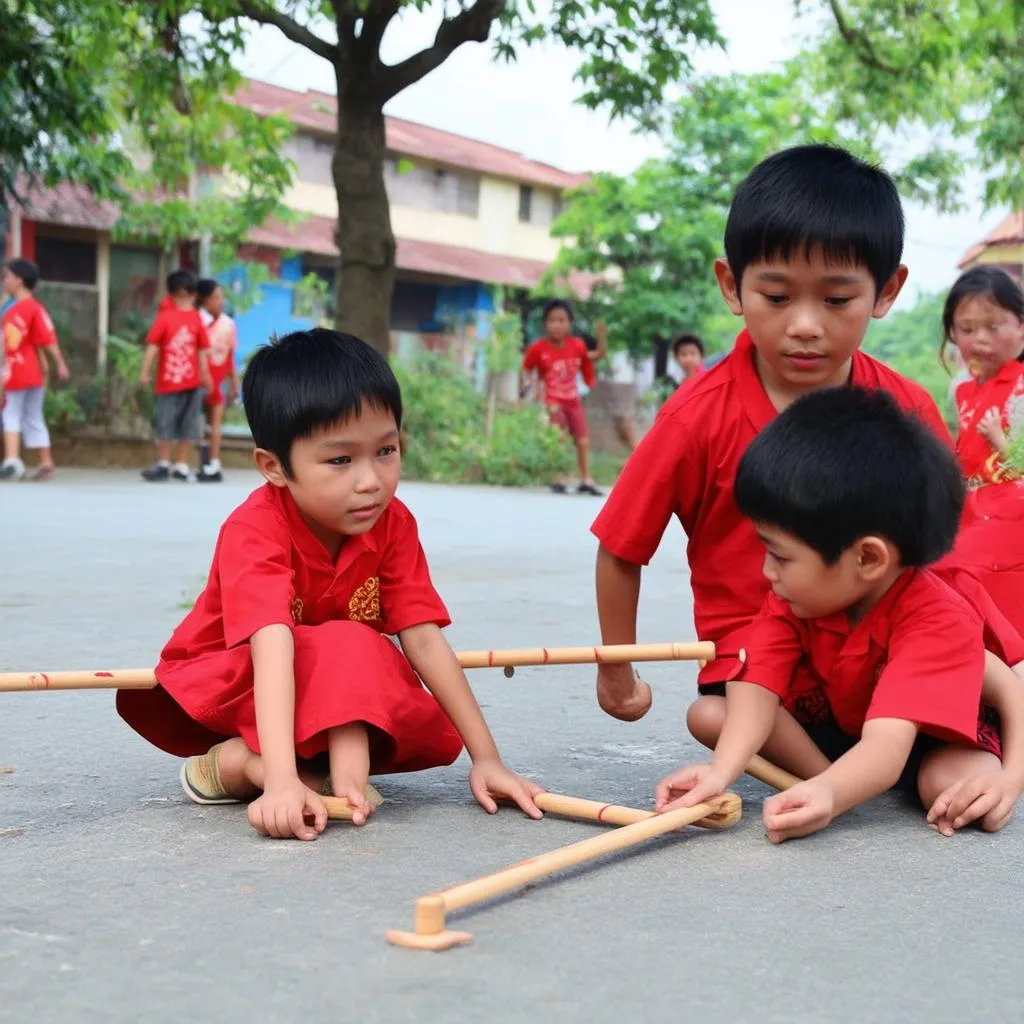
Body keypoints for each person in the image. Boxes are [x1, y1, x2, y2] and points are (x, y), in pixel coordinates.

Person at [590, 144, 971, 723]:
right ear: (731, 286)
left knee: (959, 768)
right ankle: (843, 778)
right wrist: (616, 671)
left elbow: (945, 555)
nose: (805, 326)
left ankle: (864, 767)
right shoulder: (696, 417)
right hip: (760, 676)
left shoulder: (906, 410)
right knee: (712, 720)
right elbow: (621, 548)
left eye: (837, 299)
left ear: (887, 291)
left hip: (882, 666)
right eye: (776, 296)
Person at [117, 329, 542, 840]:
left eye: (386, 450)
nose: (370, 480)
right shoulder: (254, 530)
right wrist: (275, 781)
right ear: (274, 467)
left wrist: (488, 760)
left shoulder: (393, 523)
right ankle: (244, 766)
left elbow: (423, 638)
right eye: (340, 460)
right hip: (243, 680)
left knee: (353, 643)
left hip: (332, 687)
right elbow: (271, 647)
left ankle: (339, 787)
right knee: (342, 644)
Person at [654, 387, 1024, 841]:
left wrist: (1012, 777)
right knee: (713, 713)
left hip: (929, 737)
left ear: (868, 559)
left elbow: (892, 744)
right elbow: (755, 681)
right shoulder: (803, 595)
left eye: (781, 556)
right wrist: (720, 772)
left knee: (951, 790)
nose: (767, 572)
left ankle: (843, 783)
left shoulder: (936, 617)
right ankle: (841, 780)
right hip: (853, 725)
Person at [943, 267, 1024, 634]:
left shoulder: (1020, 390)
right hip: (970, 511)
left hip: (1011, 519)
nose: (980, 339)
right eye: (967, 329)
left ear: (1020, 325)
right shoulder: (963, 391)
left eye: (994, 326)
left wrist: (1000, 441)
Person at [522, 300, 604, 495]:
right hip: (552, 401)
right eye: (552, 320)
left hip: (573, 400)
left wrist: (602, 337)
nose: (557, 325)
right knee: (557, 439)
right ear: (545, 324)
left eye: (561, 320)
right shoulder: (538, 348)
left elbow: (594, 357)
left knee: (582, 440)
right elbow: (526, 368)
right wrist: (528, 383)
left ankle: (586, 478)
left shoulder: (577, 345)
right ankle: (557, 477)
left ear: (570, 323)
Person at [139, 269, 212, 482]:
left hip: (192, 382)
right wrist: (145, 372)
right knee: (166, 421)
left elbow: (201, 350)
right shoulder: (165, 317)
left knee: (188, 424)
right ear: (182, 291)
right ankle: (164, 462)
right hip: (168, 382)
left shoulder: (197, 318)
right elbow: (153, 346)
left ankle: (181, 464)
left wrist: (205, 376)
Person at [0, 258, 70, 481]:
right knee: (33, 416)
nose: (5, 280)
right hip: (33, 372)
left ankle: (12, 460)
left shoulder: (19, 309)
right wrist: (54, 362)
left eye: (8, 277)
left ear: (19, 281)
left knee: (10, 412)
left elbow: (46, 339)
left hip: (15, 370)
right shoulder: (33, 308)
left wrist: (59, 362)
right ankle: (46, 461)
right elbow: (43, 338)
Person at [195, 278, 239, 484]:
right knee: (196, 423)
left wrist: (234, 384)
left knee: (215, 423)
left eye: (221, 297)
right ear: (204, 299)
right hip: (195, 380)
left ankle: (214, 461)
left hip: (217, 380)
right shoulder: (196, 321)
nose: (220, 301)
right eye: (215, 297)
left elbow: (230, 356)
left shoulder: (228, 324)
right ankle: (199, 462)